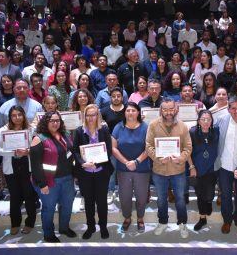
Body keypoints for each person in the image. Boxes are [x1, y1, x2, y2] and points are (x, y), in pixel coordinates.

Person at [145, 98, 192, 238]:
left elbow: (188, 147)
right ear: (161, 110)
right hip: (159, 170)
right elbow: (148, 145)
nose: (168, 112)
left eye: (171, 109)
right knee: (161, 199)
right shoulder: (153, 125)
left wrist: (181, 158)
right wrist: (157, 157)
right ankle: (163, 222)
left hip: (178, 170)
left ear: (176, 109)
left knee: (180, 199)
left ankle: (182, 223)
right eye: (165, 109)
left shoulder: (183, 126)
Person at [30, 111, 75, 243]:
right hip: (49, 182)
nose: (55, 123)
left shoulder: (65, 135)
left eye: (57, 120)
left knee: (67, 205)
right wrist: (42, 184)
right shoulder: (39, 138)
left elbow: (71, 154)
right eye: (52, 121)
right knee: (49, 208)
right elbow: (35, 165)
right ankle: (48, 234)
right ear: (45, 122)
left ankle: (64, 228)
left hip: (67, 178)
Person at [72, 104, 113, 239]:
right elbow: (76, 151)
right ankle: (90, 226)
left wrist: (98, 161)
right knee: (88, 201)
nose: (91, 118)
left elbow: (109, 149)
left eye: (93, 114)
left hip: (101, 171)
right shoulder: (78, 131)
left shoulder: (104, 130)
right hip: (85, 173)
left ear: (98, 116)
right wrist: (83, 163)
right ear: (85, 116)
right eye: (88, 115)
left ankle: (103, 226)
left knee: (101, 201)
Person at [0, 106, 36, 235]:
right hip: (11, 167)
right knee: (15, 197)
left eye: (19, 115)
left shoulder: (31, 129)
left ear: (23, 115)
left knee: (29, 196)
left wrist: (28, 151)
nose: (17, 118)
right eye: (14, 115)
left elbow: (37, 149)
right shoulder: (4, 130)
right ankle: (15, 223)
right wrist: (13, 153)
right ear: (10, 117)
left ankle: (30, 223)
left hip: (27, 166)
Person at [112, 102, 151, 233]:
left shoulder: (146, 127)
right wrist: (126, 162)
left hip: (142, 168)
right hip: (124, 169)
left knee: (141, 196)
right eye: (128, 111)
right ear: (125, 113)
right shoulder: (118, 127)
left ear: (138, 112)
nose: (130, 113)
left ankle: (140, 218)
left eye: (133, 110)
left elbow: (149, 148)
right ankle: (127, 218)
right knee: (125, 196)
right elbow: (113, 148)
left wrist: (136, 162)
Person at [216, 96, 237, 234]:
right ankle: (227, 220)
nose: (236, 111)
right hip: (224, 165)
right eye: (233, 108)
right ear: (228, 109)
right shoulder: (221, 121)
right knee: (225, 195)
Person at [189, 110, 219, 231]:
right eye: (203, 119)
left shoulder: (216, 131)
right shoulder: (193, 132)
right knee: (200, 194)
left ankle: (209, 202)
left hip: (212, 169)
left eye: (208, 119)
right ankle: (202, 218)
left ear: (212, 121)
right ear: (199, 121)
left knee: (210, 194)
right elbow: (188, 151)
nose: (206, 122)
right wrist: (191, 167)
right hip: (197, 169)